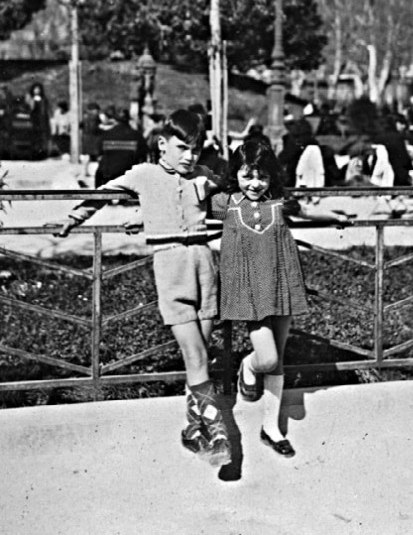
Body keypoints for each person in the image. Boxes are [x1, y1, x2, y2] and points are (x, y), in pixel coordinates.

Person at [52, 109, 231, 467]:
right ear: (162, 144)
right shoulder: (144, 174)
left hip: (205, 267)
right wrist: (72, 218)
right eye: (181, 148)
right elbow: (103, 193)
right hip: (171, 269)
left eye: (195, 149)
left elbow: (229, 194)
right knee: (196, 357)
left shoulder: (203, 175)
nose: (189, 156)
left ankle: (192, 429)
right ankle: (219, 434)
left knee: (199, 358)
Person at [210, 138, 349, 458]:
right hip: (249, 291)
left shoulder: (281, 203)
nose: (254, 183)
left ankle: (271, 428)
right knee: (267, 358)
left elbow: (309, 212)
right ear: (235, 175)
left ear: (271, 176)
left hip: (281, 283)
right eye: (247, 176)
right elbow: (188, 205)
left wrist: (337, 217)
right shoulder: (225, 202)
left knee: (278, 358)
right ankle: (247, 366)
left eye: (262, 176)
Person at [95, 106, 147, 187]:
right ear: (129, 120)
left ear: (115, 120)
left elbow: (99, 155)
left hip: (108, 178)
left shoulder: (106, 135)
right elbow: (143, 157)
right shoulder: (137, 136)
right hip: (129, 179)